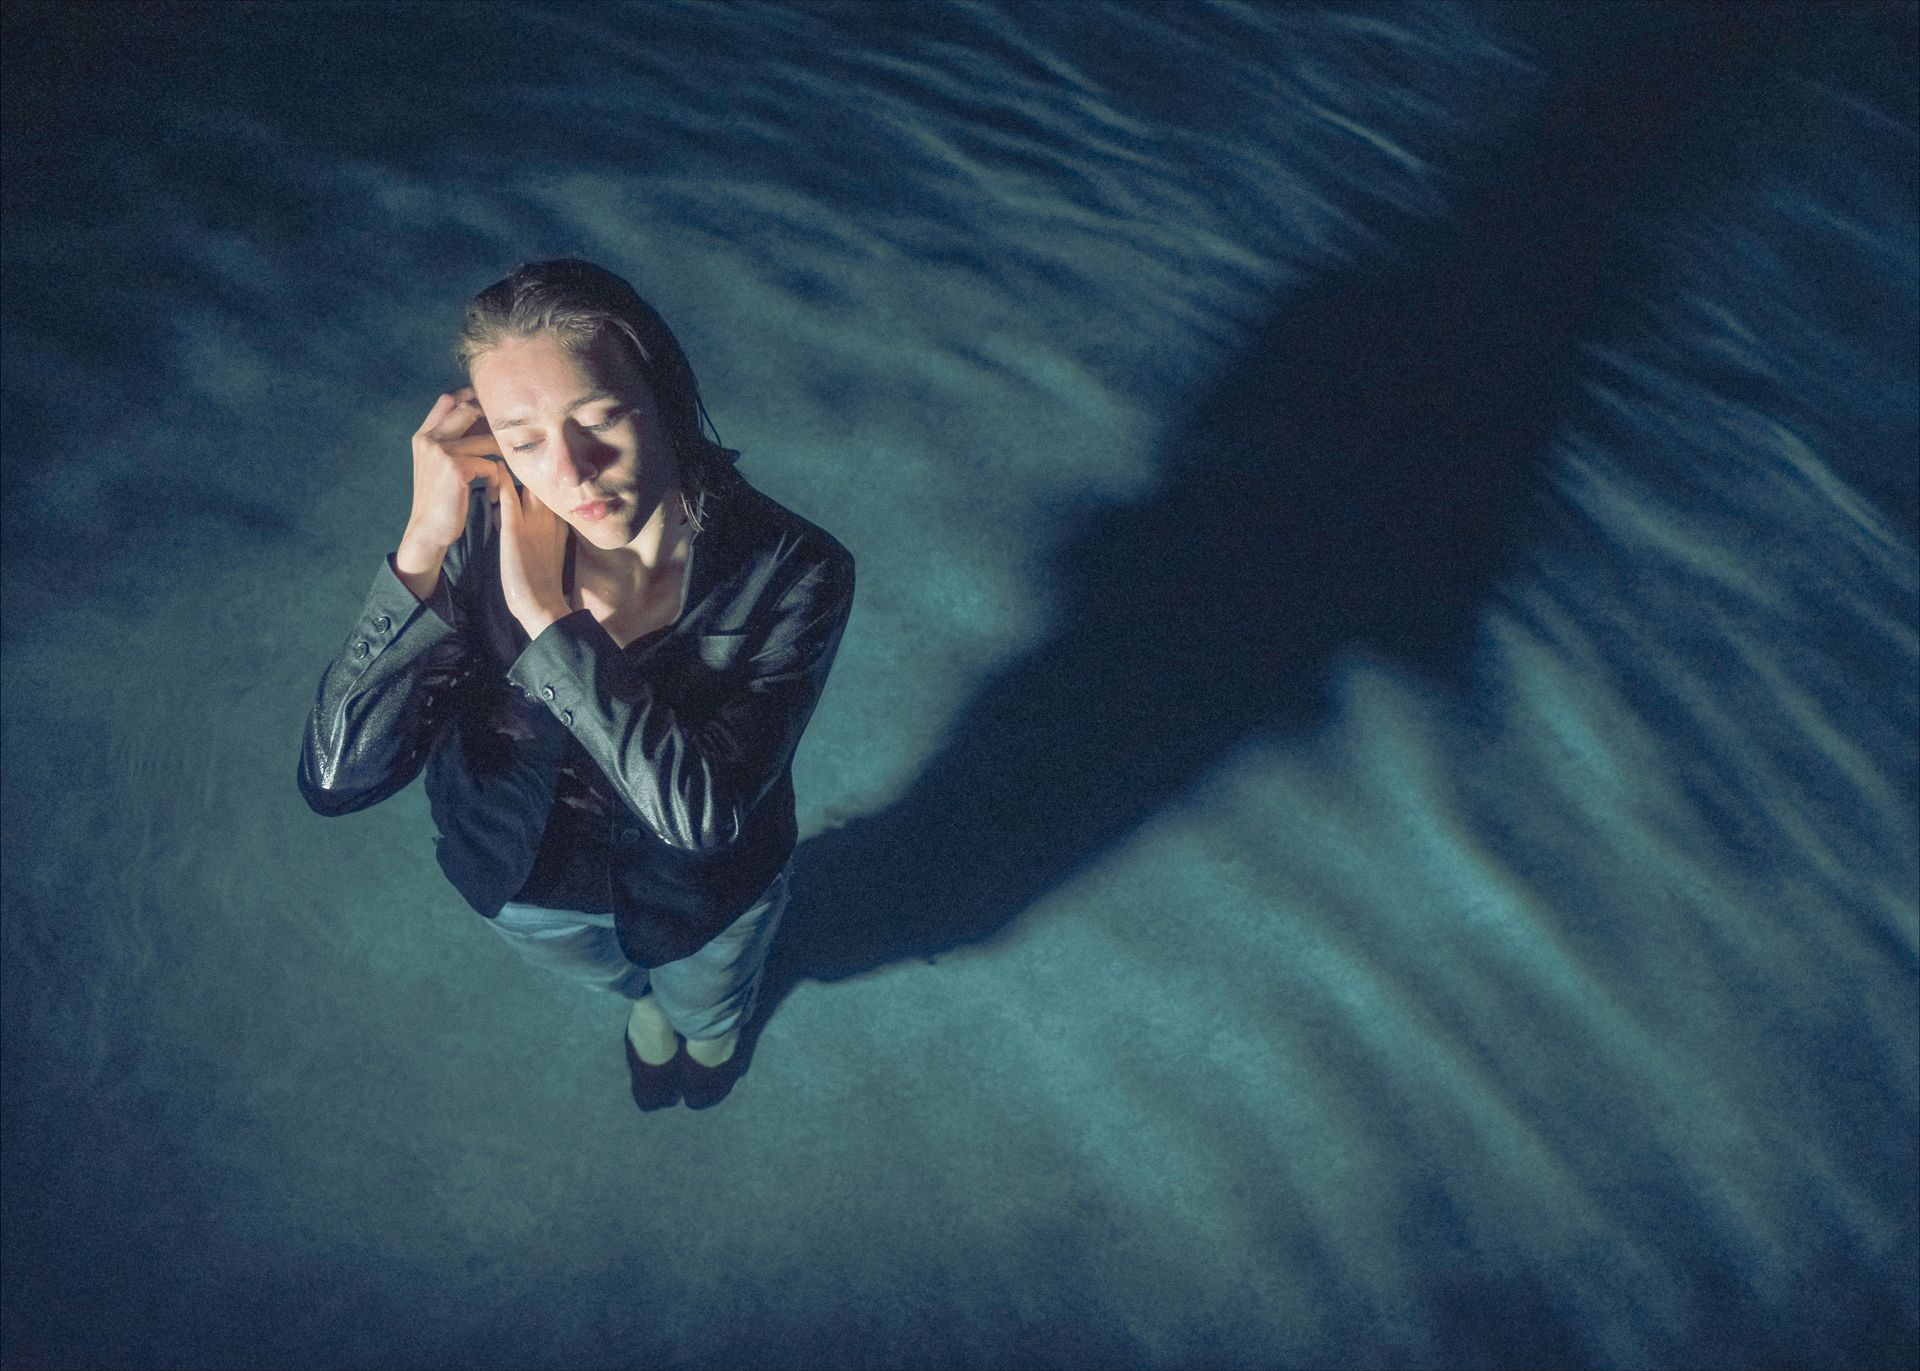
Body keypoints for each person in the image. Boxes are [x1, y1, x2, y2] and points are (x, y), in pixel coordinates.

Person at [297, 258, 855, 1111]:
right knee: (617, 984)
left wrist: (552, 621)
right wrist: (419, 545)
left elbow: (697, 818)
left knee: (709, 1009)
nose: (573, 471)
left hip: (704, 899)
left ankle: (706, 1035)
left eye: (602, 417)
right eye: (523, 441)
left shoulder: (796, 566)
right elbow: (335, 780)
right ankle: (647, 1010)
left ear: (665, 395)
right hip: (521, 878)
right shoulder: (486, 520)